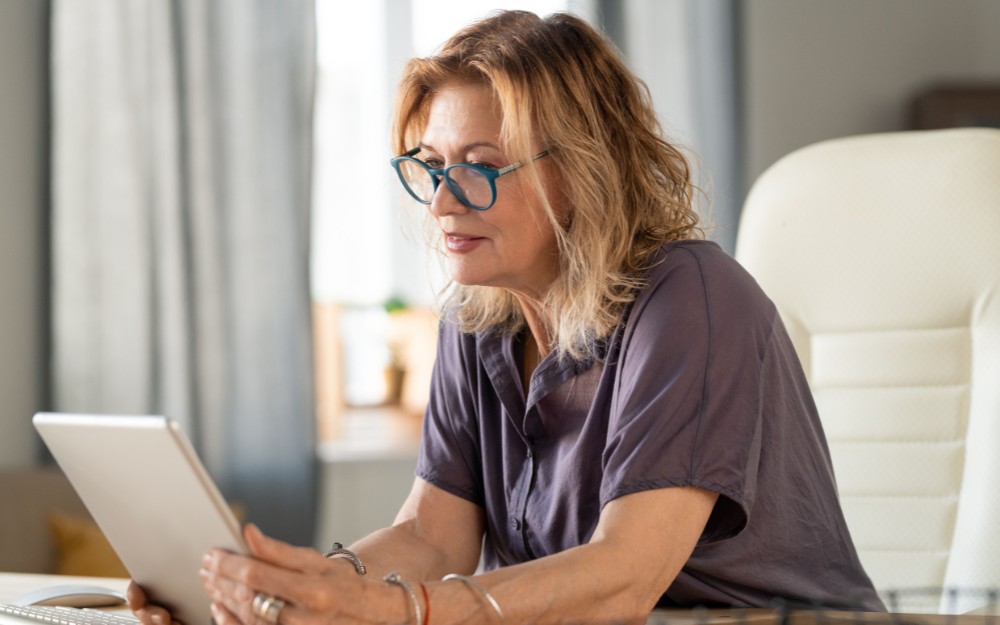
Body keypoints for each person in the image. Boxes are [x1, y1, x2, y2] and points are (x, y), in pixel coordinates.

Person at [129, 10, 884, 625]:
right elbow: (433, 533)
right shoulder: (478, 317)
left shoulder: (691, 298)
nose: (443, 201)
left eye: (481, 166)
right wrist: (298, 591)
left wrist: (403, 611)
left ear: (583, 168)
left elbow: (625, 575)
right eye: (429, 165)